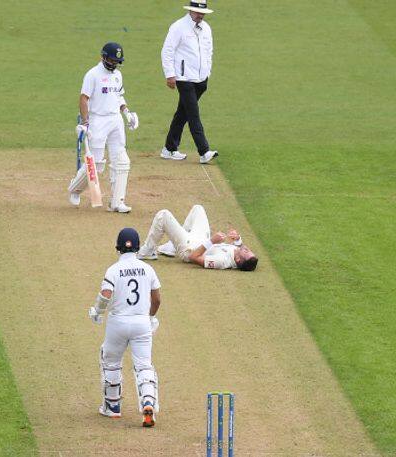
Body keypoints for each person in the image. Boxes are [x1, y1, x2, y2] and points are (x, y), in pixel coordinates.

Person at [89, 228, 162, 427]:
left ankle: (112, 407)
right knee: (144, 365)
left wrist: (97, 312)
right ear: (138, 247)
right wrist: (150, 317)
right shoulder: (148, 269)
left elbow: (105, 294)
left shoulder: (113, 269)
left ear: (118, 248)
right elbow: (156, 299)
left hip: (118, 323)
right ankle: (148, 402)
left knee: (110, 360)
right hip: (141, 323)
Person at [69, 42, 139, 213]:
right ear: (103, 57)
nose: (114, 64)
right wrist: (85, 123)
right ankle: (75, 189)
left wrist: (127, 113)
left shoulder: (118, 75)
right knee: (97, 164)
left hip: (115, 119)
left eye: (117, 61)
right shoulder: (92, 75)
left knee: (122, 161)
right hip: (98, 120)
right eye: (112, 60)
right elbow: (84, 98)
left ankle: (116, 202)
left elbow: (119, 96)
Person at [160, 1, 217, 164]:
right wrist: (170, 75)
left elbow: (209, 51)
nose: (200, 15)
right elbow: (167, 50)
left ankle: (169, 148)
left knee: (182, 113)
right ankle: (204, 151)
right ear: (191, 11)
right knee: (193, 114)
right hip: (184, 78)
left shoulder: (206, 28)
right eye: (197, 12)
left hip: (201, 79)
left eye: (203, 13)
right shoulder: (178, 27)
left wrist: (208, 72)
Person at [137, 205, 258, 271]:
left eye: (246, 251)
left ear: (237, 260)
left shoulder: (222, 261)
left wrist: (212, 241)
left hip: (189, 248)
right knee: (198, 209)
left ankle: (147, 251)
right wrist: (237, 239)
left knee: (163, 215)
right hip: (200, 240)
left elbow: (193, 257)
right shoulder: (237, 253)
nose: (245, 247)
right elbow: (240, 247)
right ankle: (171, 247)